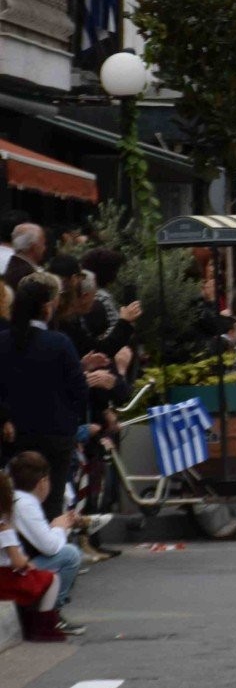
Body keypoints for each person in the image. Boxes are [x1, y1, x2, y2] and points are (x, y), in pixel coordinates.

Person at [0, 274, 86, 503]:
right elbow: (78, 390)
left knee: (14, 501)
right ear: (47, 307)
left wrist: (5, 417)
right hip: (55, 435)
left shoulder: (4, 342)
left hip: (14, 436)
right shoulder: (59, 343)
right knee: (52, 499)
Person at [4, 451, 84, 633]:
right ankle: (51, 613)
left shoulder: (17, 499)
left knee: (67, 552)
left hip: (11, 566)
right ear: (42, 482)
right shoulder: (26, 503)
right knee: (70, 555)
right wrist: (59, 527)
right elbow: (50, 547)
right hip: (9, 571)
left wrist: (60, 527)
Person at [0, 465, 66, 642]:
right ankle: (43, 624)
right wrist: (26, 561)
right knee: (51, 579)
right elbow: (16, 561)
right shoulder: (3, 527)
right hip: (5, 577)